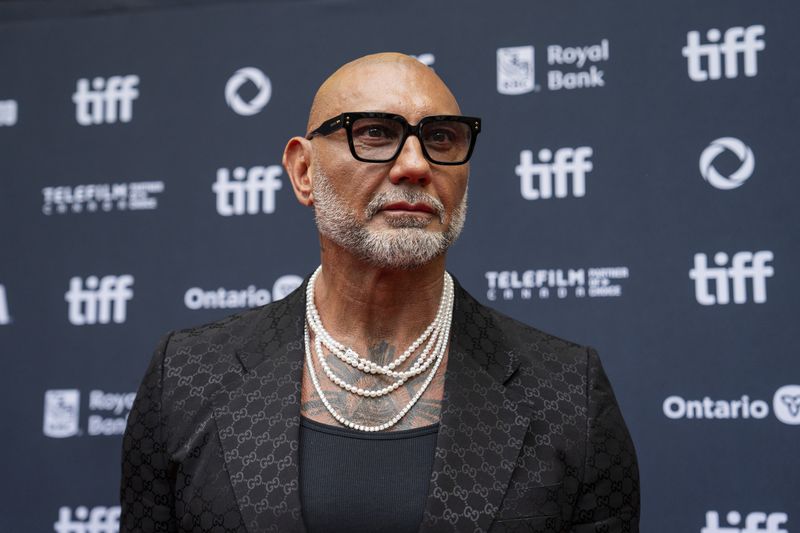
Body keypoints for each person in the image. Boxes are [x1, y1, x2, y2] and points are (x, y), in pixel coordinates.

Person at [120, 52, 639, 533]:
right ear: (304, 171)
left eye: (439, 138)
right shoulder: (186, 377)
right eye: (373, 132)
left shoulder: (568, 392)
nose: (415, 165)